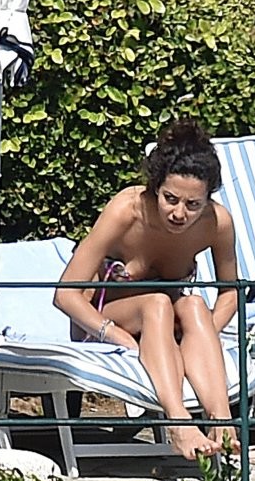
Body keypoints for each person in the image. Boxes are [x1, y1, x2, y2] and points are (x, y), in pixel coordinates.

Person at [53, 119, 239, 460]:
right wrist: (115, 335)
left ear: (207, 199)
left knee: (195, 305)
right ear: (155, 187)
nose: (180, 213)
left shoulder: (217, 223)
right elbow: (65, 294)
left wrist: (202, 334)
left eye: (193, 205)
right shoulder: (127, 211)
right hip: (105, 320)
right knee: (157, 303)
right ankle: (178, 423)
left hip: (166, 326)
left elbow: (230, 293)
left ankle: (222, 423)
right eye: (171, 199)